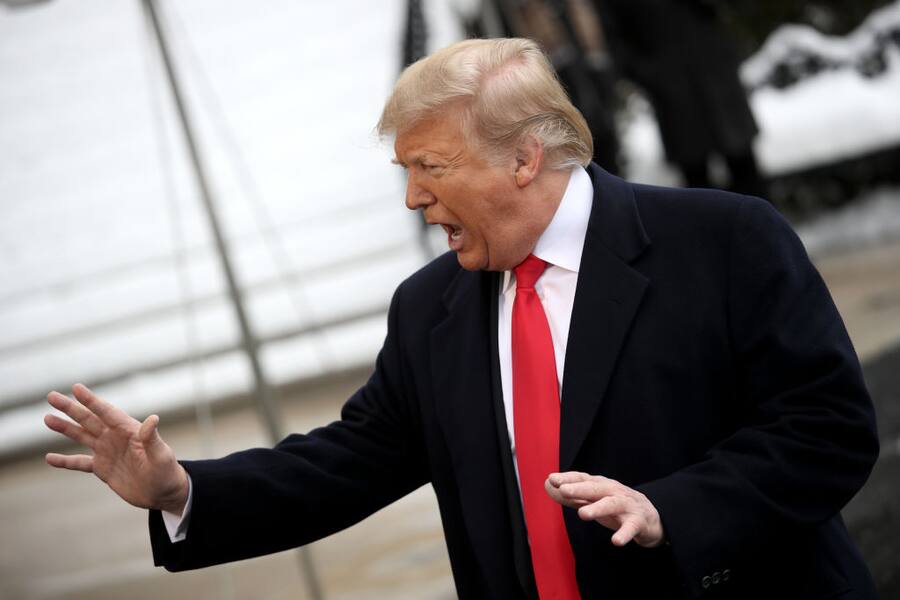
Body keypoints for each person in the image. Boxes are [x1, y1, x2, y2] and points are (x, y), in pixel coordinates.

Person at [44, 38, 878, 599]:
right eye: (405, 170)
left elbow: (826, 430)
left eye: (432, 166)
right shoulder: (430, 308)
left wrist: (672, 511)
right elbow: (347, 463)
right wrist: (181, 489)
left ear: (525, 158)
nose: (413, 198)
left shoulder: (724, 241)